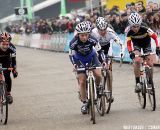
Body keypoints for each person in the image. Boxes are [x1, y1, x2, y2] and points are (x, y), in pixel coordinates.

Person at [69, 21, 106, 114]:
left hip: (92, 57)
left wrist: (103, 62)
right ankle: (85, 103)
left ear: (89, 34)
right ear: (78, 35)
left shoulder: (93, 39)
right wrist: (74, 64)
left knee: (98, 75)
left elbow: (100, 51)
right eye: (82, 35)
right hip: (79, 59)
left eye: (86, 35)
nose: (84, 37)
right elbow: (71, 55)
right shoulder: (73, 42)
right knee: (82, 81)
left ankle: (97, 88)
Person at [91, 17, 125, 101]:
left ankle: (109, 92)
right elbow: (90, 47)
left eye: (104, 29)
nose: (103, 32)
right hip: (96, 50)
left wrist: (122, 53)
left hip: (107, 50)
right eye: (100, 30)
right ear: (97, 28)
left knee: (109, 72)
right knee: (96, 70)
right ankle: (95, 87)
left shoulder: (110, 32)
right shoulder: (93, 33)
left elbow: (121, 44)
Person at [126, 12, 160, 93]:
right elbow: (128, 43)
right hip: (136, 44)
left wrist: (158, 47)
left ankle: (150, 82)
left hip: (146, 44)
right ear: (130, 25)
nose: (136, 28)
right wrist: (131, 52)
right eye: (134, 26)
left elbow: (155, 37)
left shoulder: (145, 27)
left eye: (138, 26)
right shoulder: (128, 31)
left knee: (150, 64)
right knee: (137, 61)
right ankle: (137, 82)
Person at [0, 32, 18, 104]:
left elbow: (13, 60)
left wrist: (14, 70)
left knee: (7, 75)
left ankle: (8, 93)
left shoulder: (12, 48)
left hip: (6, 60)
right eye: (3, 44)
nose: (5, 46)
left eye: (7, 44)